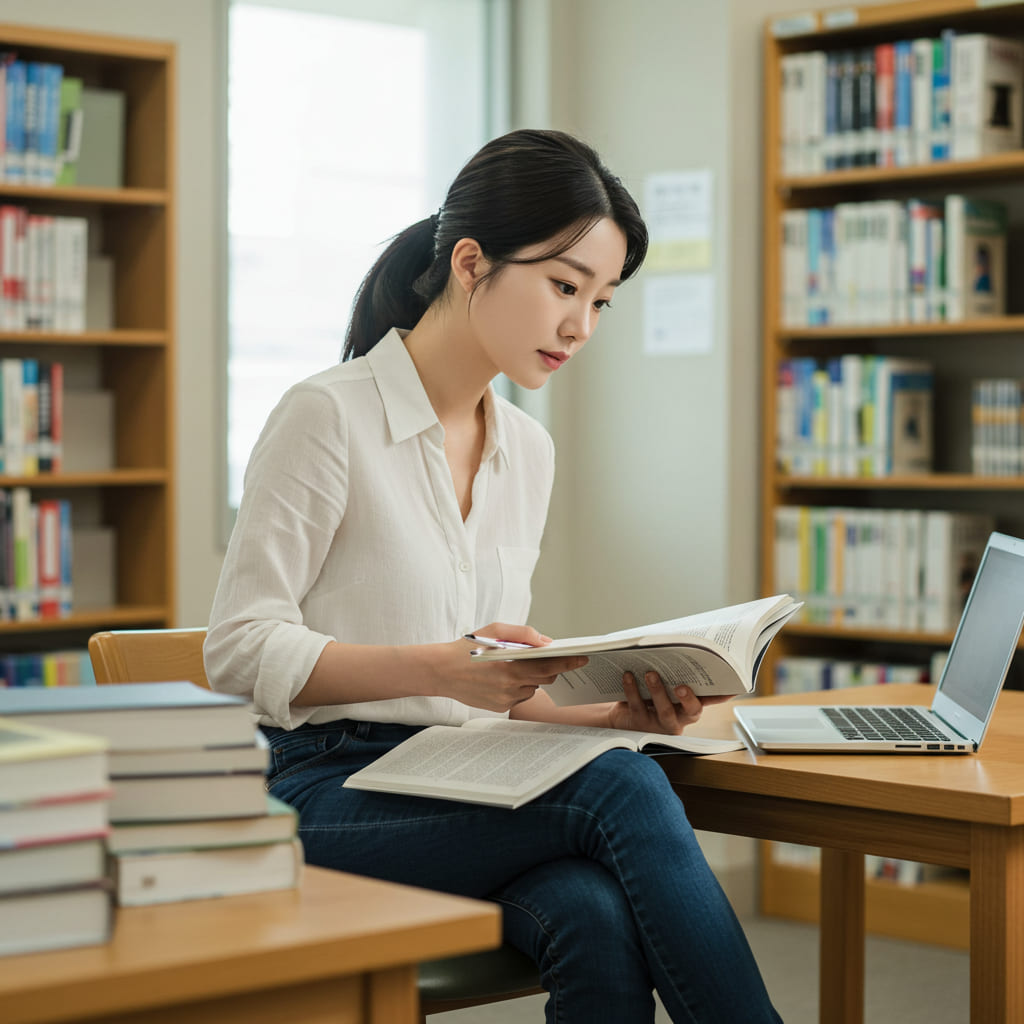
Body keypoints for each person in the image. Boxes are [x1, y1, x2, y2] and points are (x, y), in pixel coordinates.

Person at [205, 128, 782, 1024]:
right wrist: (438, 666)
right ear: (470, 263)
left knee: (591, 908)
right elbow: (239, 650)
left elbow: (494, 691)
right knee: (625, 789)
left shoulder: (529, 450)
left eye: (600, 302)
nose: (579, 327)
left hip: (459, 774)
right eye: (563, 287)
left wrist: (612, 714)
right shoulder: (326, 416)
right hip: (321, 788)